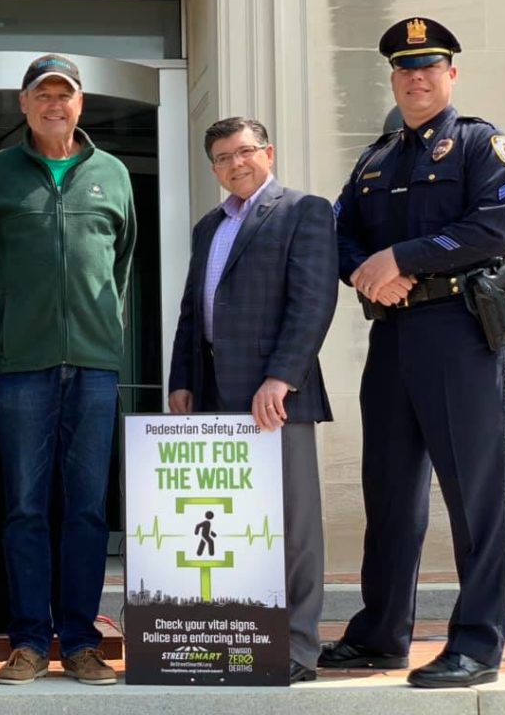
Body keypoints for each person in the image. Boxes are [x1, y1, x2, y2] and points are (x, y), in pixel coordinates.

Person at [320, 17, 505, 688]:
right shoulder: (375, 159)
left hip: (463, 333)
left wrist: (401, 257)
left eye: (430, 66)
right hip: (393, 334)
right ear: (393, 79)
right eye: (406, 69)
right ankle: (381, 635)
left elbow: (494, 226)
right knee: (389, 491)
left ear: (451, 74)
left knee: (477, 496)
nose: (417, 78)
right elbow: (338, 231)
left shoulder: (482, 146)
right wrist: (366, 273)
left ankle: (477, 645)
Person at [0, 54, 136, 686]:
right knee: (25, 509)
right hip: (22, 367)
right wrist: (8, 337)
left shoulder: (113, 174)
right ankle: (30, 641)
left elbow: (120, 267)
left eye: (65, 95)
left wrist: (102, 334)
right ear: (24, 104)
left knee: (87, 511)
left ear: (80, 104)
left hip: (94, 367)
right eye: (43, 94)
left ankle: (83, 642)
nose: (54, 104)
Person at [167, 117, 337, 684]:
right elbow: (192, 311)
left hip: (275, 397)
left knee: (292, 525)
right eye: (222, 157)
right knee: (229, 523)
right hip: (213, 393)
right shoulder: (207, 226)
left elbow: (313, 302)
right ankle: (240, 638)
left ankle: (298, 648)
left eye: (244, 152)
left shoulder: (303, 211)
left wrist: (281, 378)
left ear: (269, 152)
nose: (235, 164)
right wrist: (182, 380)